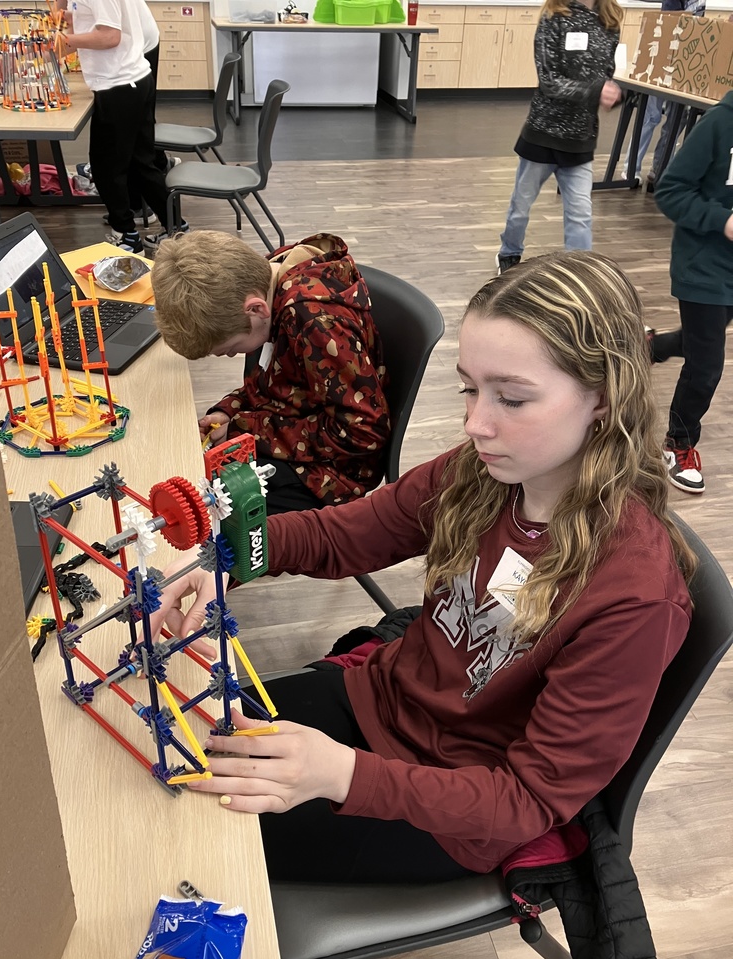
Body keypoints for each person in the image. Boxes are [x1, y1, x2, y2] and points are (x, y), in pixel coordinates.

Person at [148, 251, 695, 884]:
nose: (475, 422)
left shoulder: (635, 595)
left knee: (184, 828)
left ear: (602, 398)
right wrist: (230, 557)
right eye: (470, 387)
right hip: (380, 702)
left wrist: (342, 774)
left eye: (512, 399)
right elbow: (347, 534)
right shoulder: (481, 473)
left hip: (452, 810)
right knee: (176, 737)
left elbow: (530, 801)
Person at [151, 230, 390, 515]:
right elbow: (275, 377)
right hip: (299, 428)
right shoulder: (266, 279)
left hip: (334, 471)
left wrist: (247, 428)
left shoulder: (316, 322)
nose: (232, 355)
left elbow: (364, 433)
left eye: (231, 349)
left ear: (256, 309)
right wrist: (230, 410)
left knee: (222, 515)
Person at [496, 0, 622, 274]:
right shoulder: (554, 17)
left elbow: (607, 74)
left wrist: (613, 91)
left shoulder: (609, 22)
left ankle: (579, 273)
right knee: (521, 207)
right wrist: (594, 91)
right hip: (543, 134)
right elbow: (549, 81)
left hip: (580, 138)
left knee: (580, 215)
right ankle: (509, 252)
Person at [653, 91, 733, 495]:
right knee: (706, 366)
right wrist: (722, 220)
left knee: (704, 341)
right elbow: (670, 191)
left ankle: (650, 346)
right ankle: (678, 443)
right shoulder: (719, 124)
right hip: (704, 266)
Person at [60, 0, 181, 254]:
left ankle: (126, 236)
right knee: (141, 163)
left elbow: (109, 36)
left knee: (107, 168)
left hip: (119, 85)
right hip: (133, 80)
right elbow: (83, 18)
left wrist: (64, 42)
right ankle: (177, 229)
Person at [620, 0, 706, 190]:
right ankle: (631, 169)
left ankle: (659, 169)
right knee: (651, 116)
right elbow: (669, 20)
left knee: (679, 117)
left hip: (686, 60)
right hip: (662, 56)